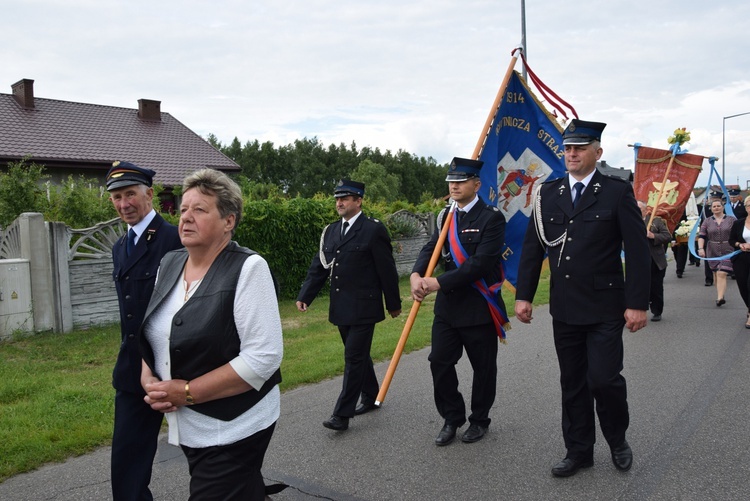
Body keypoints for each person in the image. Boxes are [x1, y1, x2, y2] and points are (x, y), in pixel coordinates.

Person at [514, 119, 650, 477]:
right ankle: (578, 451)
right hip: (566, 307)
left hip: (606, 306)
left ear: (597, 152)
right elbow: (533, 249)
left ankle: (617, 439)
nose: (571, 153)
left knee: (603, 379)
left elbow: (637, 252)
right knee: (572, 381)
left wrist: (637, 303)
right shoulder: (547, 193)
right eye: (567, 148)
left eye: (579, 148)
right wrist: (524, 296)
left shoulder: (616, 191)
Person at [140, 169, 283, 500]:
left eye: (200, 210)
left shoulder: (249, 268)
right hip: (189, 426)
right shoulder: (171, 263)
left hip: (234, 426)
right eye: (184, 209)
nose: (186, 217)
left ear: (228, 221)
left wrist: (186, 391)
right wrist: (149, 377)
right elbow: (155, 329)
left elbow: (264, 357)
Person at [410, 157, 508, 446]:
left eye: (461, 180)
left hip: (479, 306)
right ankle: (452, 417)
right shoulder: (445, 217)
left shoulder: (491, 218)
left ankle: (479, 420)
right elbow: (431, 248)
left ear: (476, 184)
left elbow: (480, 264)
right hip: (449, 309)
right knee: (438, 362)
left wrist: (437, 283)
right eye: (451, 181)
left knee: (483, 368)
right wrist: (416, 274)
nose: (454, 185)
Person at [296, 179, 402, 432]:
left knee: (353, 357)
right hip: (341, 306)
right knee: (359, 355)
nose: (339, 203)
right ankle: (371, 395)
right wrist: (305, 296)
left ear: (359, 201)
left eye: (345, 198)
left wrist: (393, 303)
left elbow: (387, 270)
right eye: (337, 199)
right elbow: (319, 267)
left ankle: (341, 415)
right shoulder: (331, 231)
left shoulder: (373, 229)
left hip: (365, 307)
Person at [107, 160, 182, 501]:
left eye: (131, 194)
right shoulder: (119, 248)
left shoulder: (176, 239)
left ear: (149, 195)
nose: (124, 204)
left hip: (181, 365)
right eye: (117, 197)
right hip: (132, 369)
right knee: (126, 461)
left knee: (212, 452)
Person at [697, 199, 736, 306]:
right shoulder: (707, 221)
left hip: (728, 249)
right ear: (711, 208)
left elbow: (737, 233)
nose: (716, 208)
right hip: (712, 250)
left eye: (718, 206)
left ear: (723, 207)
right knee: (715, 274)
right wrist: (700, 249)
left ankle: (719, 298)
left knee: (722, 273)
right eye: (714, 206)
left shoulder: (731, 220)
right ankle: (721, 293)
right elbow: (702, 236)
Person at [638, 201, 672, 321]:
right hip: (638, 260)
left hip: (655, 260)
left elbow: (667, 236)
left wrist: (653, 236)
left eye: (639, 208)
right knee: (639, 285)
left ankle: (657, 310)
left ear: (646, 210)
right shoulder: (630, 221)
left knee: (656, 286)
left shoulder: (656, 221)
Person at [729, 195, 750, 328]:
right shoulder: (738, 223)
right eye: (749, 205)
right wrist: (739, 244)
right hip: (741, 259)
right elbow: (731, 240)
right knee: (743, 286)